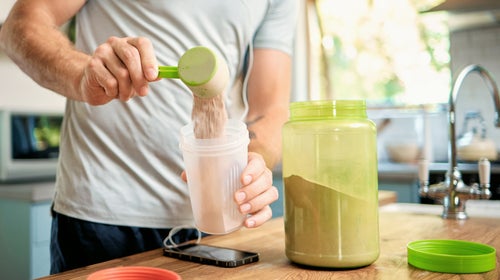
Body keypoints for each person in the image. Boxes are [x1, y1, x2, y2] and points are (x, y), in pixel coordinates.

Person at [0, 0, 298, 274]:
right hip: (101, 218)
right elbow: (18, 27)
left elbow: (271, 107)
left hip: (213, 227)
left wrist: (254, 163)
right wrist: (82, 75)